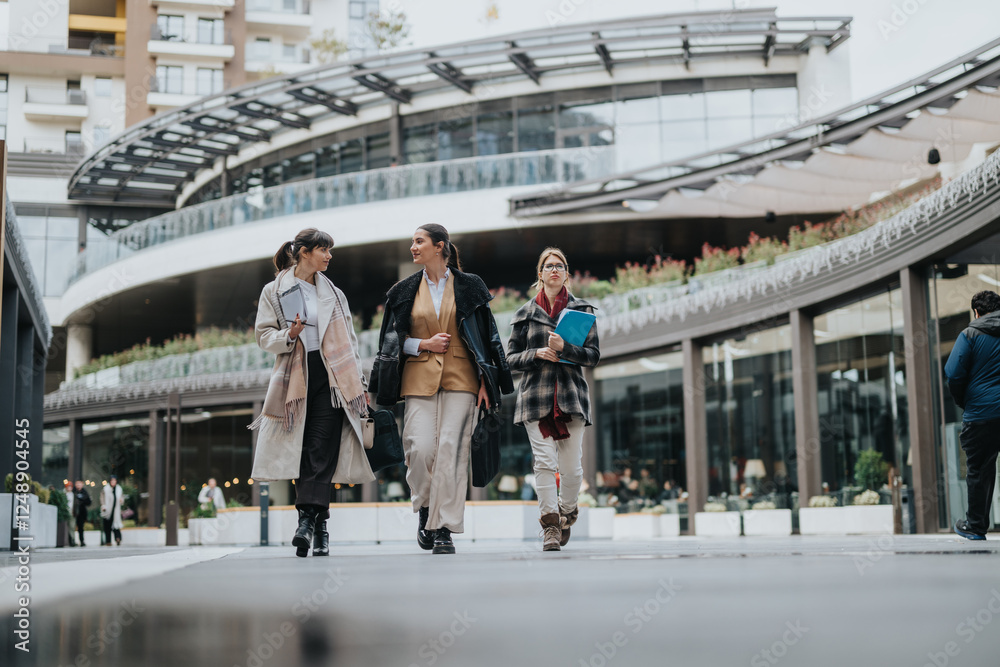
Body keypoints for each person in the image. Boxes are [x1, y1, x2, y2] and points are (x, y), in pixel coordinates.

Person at [370, 224, 513, 555]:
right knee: (419, 449)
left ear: (439, 246)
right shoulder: (403, 291)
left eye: (419, 241)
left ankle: (444, 528)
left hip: (463, 379)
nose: (413, 247)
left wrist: (486, 382)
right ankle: (424, 508)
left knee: (451, 449)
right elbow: (390, 344)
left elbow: (487, 337)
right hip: (418, 379)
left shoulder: (470, 285)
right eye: (412, 242)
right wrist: (424, 344)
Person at [250, 228, 374, 558]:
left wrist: (359, 385)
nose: (329, 256)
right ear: (305, 252)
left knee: (322, 448)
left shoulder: (334, 292)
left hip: (334, 377)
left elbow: (350, 340)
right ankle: (319, 528)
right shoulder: (274, 290)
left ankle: (306, 521)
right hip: (297, 375)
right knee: (305, 450)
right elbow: (263, 337)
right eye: (324, 250)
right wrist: (287, 335)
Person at [506, 247, 600, 551]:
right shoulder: (524, 314)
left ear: (567, 274)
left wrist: (564, 350)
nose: (554, 270)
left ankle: (567, 512)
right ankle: (549, 526)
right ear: (540, 274)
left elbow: (593, 356)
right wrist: (536, 354)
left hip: (571, 398)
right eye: (549, 266)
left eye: (560, 266)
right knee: (544, 463)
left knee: (572, 471)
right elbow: (509, 359)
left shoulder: (582, 311)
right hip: (536, 398)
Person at [945, 289, 1000, 540]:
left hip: (981, 414)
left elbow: (954, 374)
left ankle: (976, 527)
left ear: (976, 312)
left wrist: (963, 401)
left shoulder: (970, 334)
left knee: (979, 470)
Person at [100, 476, 123, 546]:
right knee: (107, 526)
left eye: (114, 481)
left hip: (116, 510)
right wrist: (103, 506)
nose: (113, 482)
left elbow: (122, 497)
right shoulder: (106, 489)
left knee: (116, 525)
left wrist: (121, 500)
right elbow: (102, 498)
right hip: (107, 510)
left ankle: (118, 538)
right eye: (112, 481)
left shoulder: (119, 489)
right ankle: (108, 541)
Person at [72, 480, 91, 546]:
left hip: (81, 513)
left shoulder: (84, 492)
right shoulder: (73, 491)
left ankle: (82, 541)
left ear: (82, 484)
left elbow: (89, 502)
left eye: (79, 484)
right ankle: (72, 541)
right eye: (77, 484)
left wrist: (82, 500)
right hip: (73, 512)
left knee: (80, 528)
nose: (78, 485)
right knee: (72, 526)